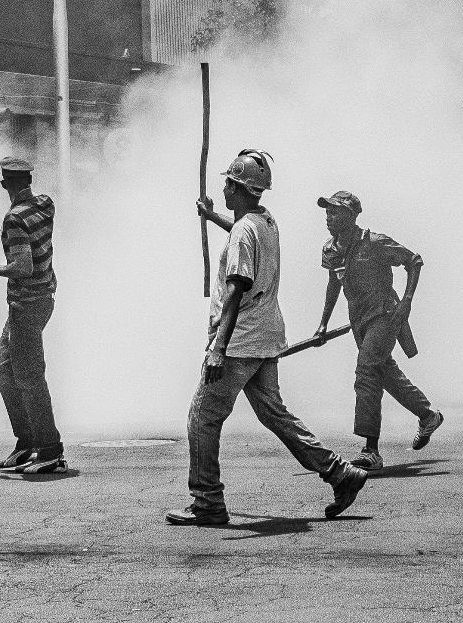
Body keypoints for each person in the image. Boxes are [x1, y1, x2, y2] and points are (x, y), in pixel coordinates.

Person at [167, 149, 367, 526]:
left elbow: (238, 285)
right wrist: (213, 217)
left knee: (202, 417)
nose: (223, 188)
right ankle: (340, 473)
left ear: (239, 188)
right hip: (266, 334)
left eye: (228, 183)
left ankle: (207, 501)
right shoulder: (264, 221)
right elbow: (244, 234)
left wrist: (217, 349)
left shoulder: (245, 231)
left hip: (240, 340)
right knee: (275, 414)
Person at [310, 190, 443, 470]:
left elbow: (414, 261)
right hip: (359, 319)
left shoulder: (375, 242)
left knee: (366, 371)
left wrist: (406, 302)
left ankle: (371, 450)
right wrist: (322, 324)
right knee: (383, 371)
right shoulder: (330, 249)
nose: (329, 217)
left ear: (352, 216)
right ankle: (427, 414)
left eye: (335, 212)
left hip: (385, 315)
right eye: (327, 212)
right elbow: (333, 284)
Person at [0, 158, 64, 475]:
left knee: (29, 377)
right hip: (40, 300)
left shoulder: (14, 219)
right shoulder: (45, 204)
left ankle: (50, 450)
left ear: (4, 184)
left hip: (27, 304)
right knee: (2, 369)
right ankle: (27, 442)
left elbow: (23, 267)